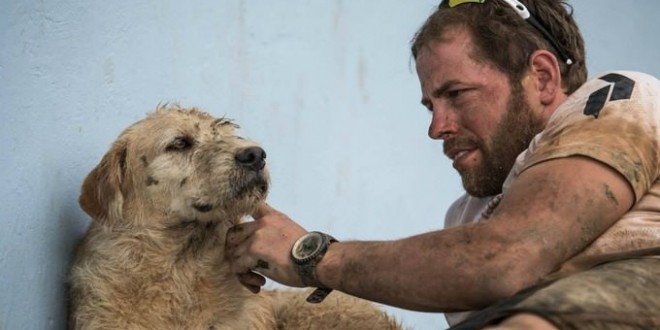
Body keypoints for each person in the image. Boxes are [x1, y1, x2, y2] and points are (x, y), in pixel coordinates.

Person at [225, 0, 660, 329]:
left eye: (456, 94)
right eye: (430, 104)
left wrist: (312, 256)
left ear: (543, 78)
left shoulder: (618, 100)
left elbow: (503, 258)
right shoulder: (467, 219)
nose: (437, 127)